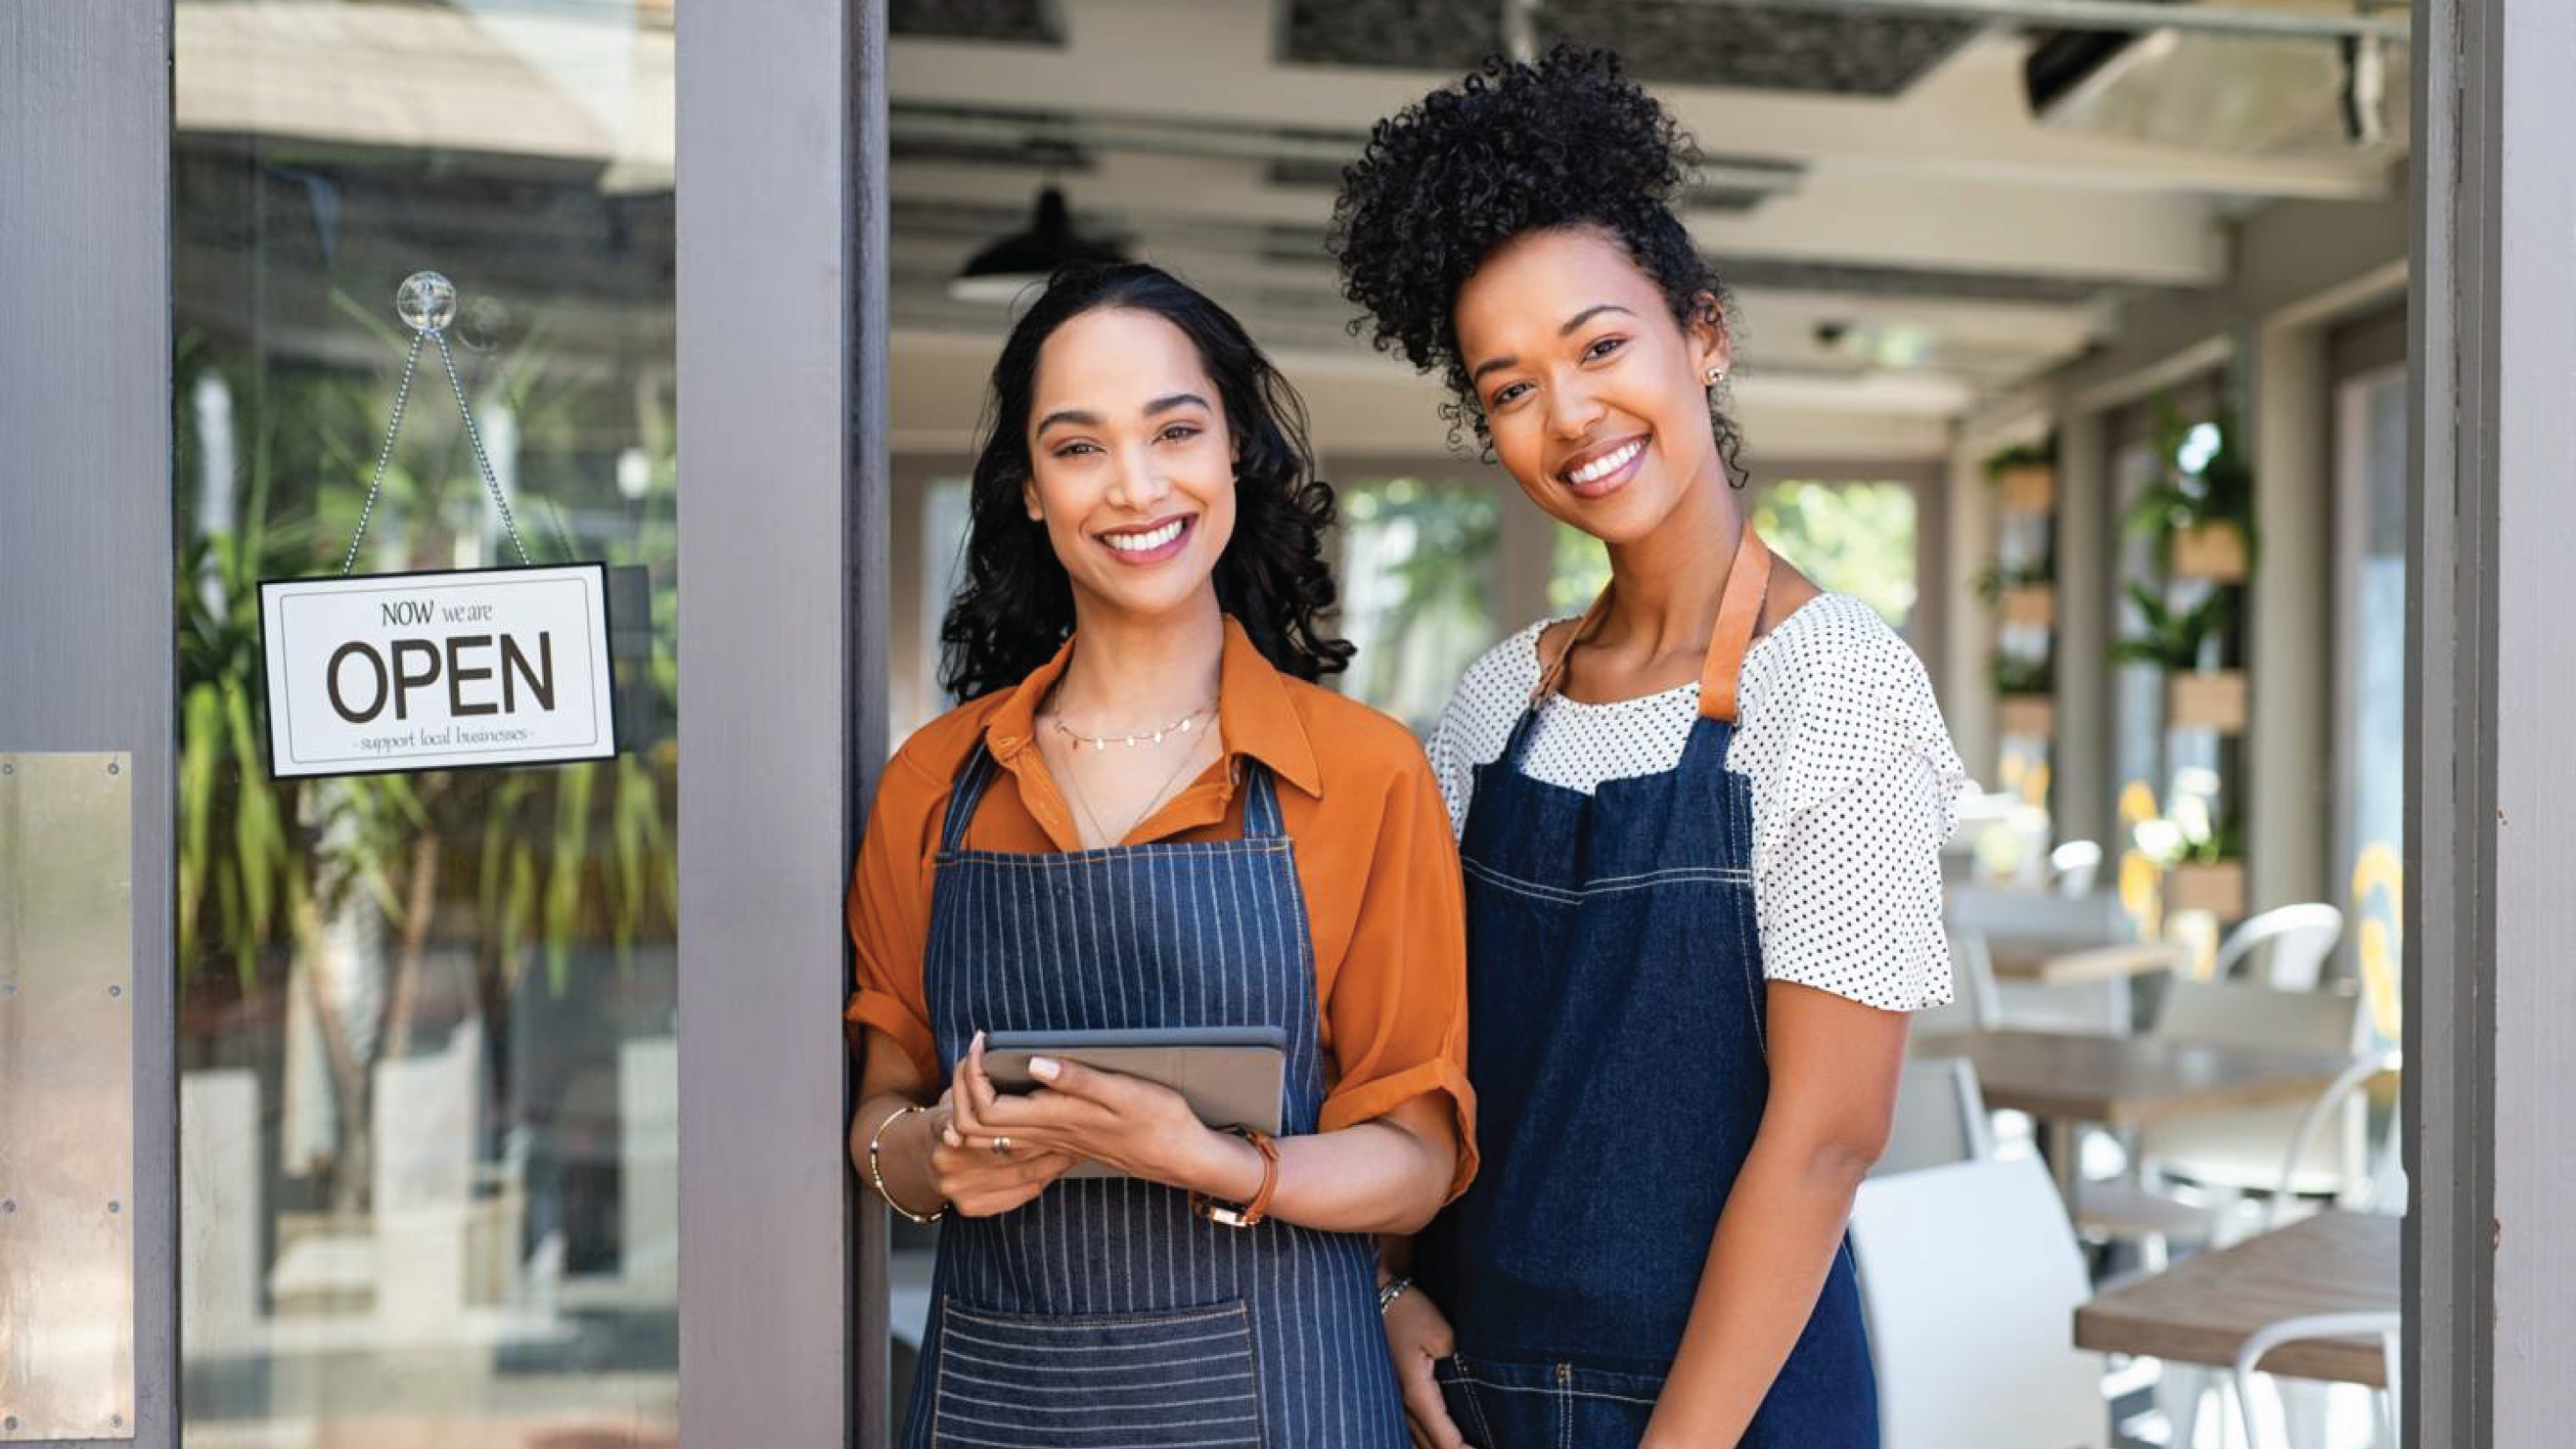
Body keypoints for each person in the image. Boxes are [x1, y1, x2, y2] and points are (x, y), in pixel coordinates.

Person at [1332, 47, 1966, 1448]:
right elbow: (1409, 1059)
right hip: (1464, 1396)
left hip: (1725, 1413)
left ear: (1704, 332)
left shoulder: (1836, 685)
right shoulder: (1500, 702)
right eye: (1508, 387)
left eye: (1601, 346)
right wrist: (1383, 1290)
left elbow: (1827, 1138)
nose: (1568, 416)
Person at [844, 262, 1475, 1448]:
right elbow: (878, 1109)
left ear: (1231, 445)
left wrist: (1209, 1159)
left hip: (1290, 1399)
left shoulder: (1362, 772)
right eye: (1077, 447)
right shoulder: (935, 783)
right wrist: (929, 1155)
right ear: (1029, 490)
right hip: (997, 1405)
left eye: (1173, 430)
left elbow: (1417, 1157)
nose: (1134, 486)